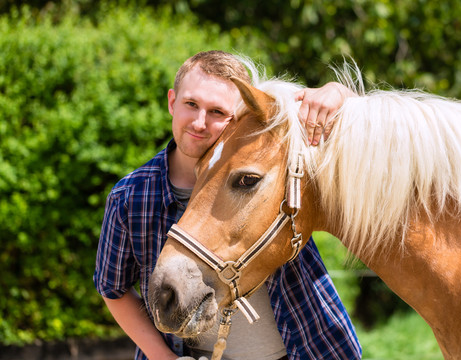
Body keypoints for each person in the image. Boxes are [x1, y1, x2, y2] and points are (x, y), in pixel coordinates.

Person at [94, 50, 362, 360]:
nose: (199, 122)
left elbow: (351, 129)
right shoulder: (131, 195)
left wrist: (338, 93)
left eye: (217, 112)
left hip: (304, 349)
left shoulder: (270, 165)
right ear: (172, 102)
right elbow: (112, 288)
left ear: (239, 116)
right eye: (191, 104)